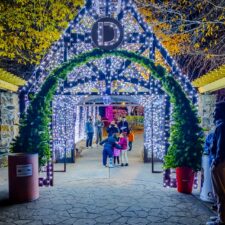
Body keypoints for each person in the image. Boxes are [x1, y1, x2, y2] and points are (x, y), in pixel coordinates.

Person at [206, 102, 225, 225]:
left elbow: (221, 146)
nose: (214, 112)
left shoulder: (222, 126)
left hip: (220, 163)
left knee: (220, 191)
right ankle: (220, 214)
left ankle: (222, 219)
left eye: (217, 109)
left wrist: (216, 162)